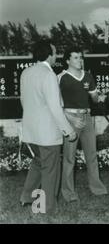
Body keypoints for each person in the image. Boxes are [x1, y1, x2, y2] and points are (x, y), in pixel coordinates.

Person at [19, 40, 77, 214]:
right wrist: (69, 130)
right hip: (47, 134)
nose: (56, 55)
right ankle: (47, 207)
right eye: (54, 52)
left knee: (37, 163)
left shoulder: (26, 73)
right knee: (51, 170)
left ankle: (27, 197)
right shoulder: (48, 75)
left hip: (30, 131)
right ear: (49, 55)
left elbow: (23, 101)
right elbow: (55, 108)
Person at [58, 46, 108, 202]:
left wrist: (99, 97)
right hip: (70, 119)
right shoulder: (60, 78)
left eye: (80, 57)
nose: (80, 60)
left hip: (87, 118)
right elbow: (55, 104)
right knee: (69, 158)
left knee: (92, 156)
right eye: (75, 57)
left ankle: (98, 189)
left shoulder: (88, 76)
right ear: (67, 60)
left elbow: (93, 97)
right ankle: (68, 193)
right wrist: (71, 119)